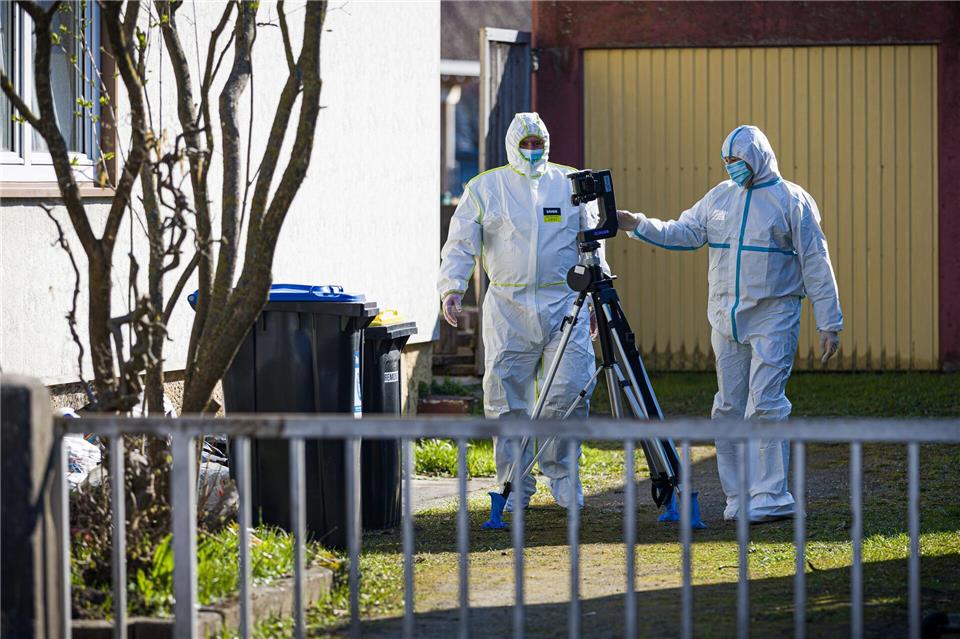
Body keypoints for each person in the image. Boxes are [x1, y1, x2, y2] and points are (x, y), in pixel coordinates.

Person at [617, 125, 842, 523]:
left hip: (774, 314)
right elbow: (684, 232)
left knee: (766, 404)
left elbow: (815, 262)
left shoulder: (791, 200)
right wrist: (637, 224)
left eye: (737, 161)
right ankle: (737, 498)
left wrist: (829, 321)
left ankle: (771, 496)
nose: (731, 168)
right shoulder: (720, 197)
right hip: (725, 319)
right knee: (727, 408)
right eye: (727, 162)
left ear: (756, 157)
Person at [437, 112, 607, 511]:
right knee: (506, 397)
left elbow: (593, 244)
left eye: (538, 144)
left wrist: (597, 296)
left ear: (547, 144)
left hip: (566, 301)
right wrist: (451, 287)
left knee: (569, 390)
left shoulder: (569, 184)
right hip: (508, 307)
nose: (532, 152)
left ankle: (562, 474)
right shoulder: (485, 188)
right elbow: (461, 244)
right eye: (526, 144)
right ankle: (514, 483)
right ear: (513, 145)